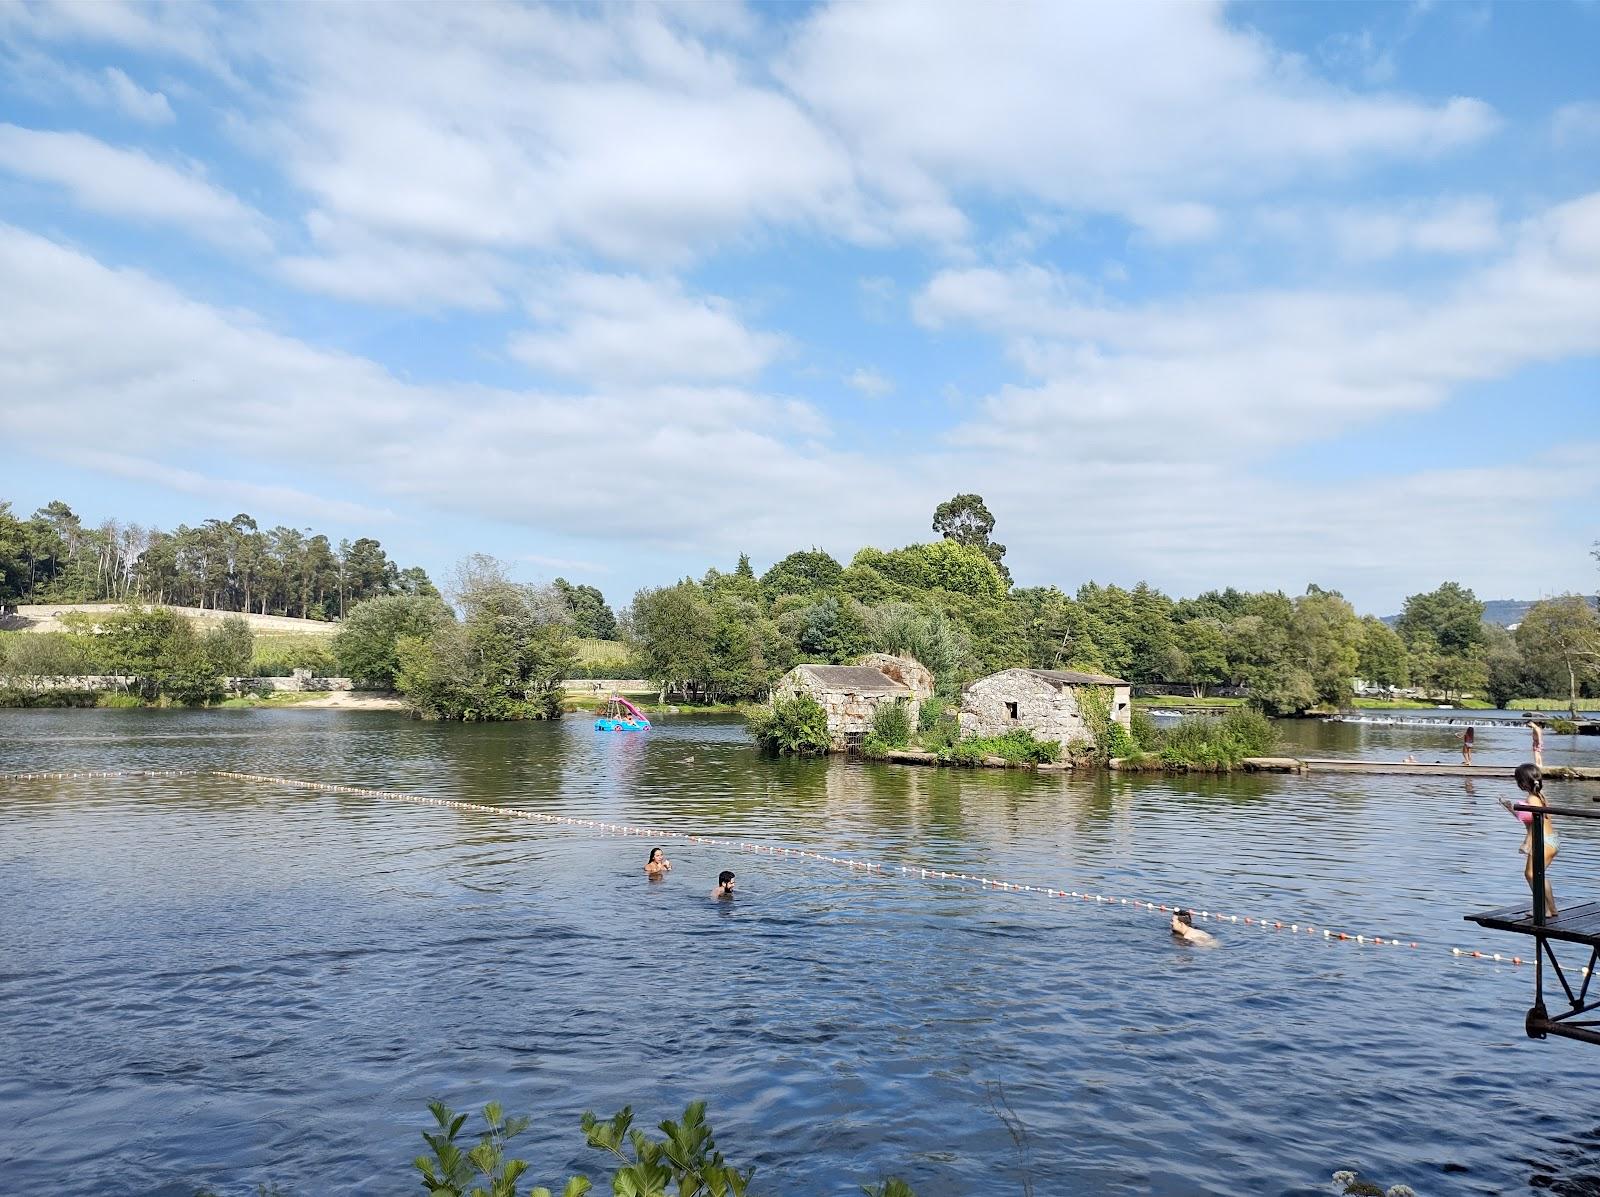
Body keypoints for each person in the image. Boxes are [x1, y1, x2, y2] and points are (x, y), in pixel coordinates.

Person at [1500, 763, 1558, 918]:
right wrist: (1510, 808)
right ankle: (1550, 908)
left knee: (1531, 874)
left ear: (1523, 783)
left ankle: (1544, 908)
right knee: (1537, 874)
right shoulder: (1539, 797)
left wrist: (1527, 843)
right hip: (1550, 840)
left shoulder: (1532, 799)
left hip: (1543, 841)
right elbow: (1528, 819)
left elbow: (1535, 823)